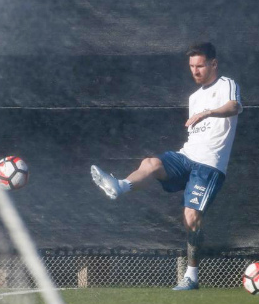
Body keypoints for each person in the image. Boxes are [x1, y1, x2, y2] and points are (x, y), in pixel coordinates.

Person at [90, 42, 242, 291]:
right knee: (151, 163)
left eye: (200, 65)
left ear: (213, 64)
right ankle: (120, 186)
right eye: (192, 66)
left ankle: (191, 277)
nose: (195, 71)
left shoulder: (227, 85)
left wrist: (207, 113)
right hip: (186, 156)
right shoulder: (194, 97)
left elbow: (234, 107)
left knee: (191, 217)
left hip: (210, 165)